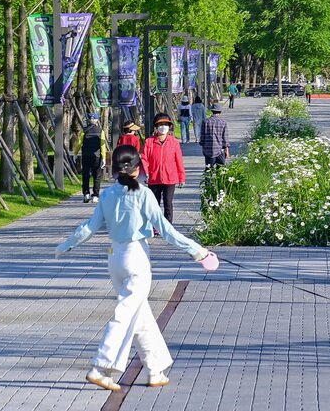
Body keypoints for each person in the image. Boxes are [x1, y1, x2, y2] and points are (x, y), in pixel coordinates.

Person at [56, 145, 218, 391]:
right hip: (136, 258)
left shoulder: (108, 195)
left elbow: (89, 228)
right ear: (138, 168)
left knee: (139, 314)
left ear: (113, 169)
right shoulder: (144, 194)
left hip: (115, 259)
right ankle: (101, 367)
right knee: (125, 314)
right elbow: (165, 230)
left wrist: (66, 245)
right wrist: (198, 251)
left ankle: (155, 369)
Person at [141, 113, 185, 223]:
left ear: (169, 126)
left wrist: (181, 177)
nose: (163, 127)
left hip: (170, 178)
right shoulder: (149, 142)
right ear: (156, 127)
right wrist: (145, 173)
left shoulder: (174, 142)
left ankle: (167, 226)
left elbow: (179, 160)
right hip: (154, 178)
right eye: (160, 124)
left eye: (166, 124)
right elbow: (144, 159)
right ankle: (155, 225)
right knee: (154, 204)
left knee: (168, 203)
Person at [80, 113, 105, 203]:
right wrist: (104, 157)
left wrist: (75, 153)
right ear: (97, 120)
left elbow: (79, 143)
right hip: (97, 156)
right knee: (97, 176)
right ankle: (95, 195)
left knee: (85, 175)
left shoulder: (84, 130)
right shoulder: (100, 131)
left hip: (86, 155)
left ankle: (86, 194)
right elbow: (103, 145)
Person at [200, 102, 231, 168]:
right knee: (220, 171)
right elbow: (225, 138)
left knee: (209, 170)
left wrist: (203, 146)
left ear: (211, 111)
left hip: (208, 150)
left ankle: (208, 178)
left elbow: (202, 137)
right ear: (220, 111)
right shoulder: (223, 123)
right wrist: (227, 150)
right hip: (220, 150)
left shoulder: (205, 122)